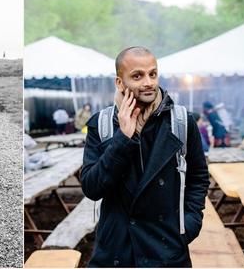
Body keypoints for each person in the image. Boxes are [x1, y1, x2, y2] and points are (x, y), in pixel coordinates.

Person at [81, 46, 209, 267]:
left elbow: (198, 176)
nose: (149, 82)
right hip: (117, 250)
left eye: (153, 73)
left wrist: (189, 224)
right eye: (137, 76)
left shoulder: (181, 122)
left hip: (167, 248)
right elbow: (92, 188)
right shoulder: (101, 124)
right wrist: (123, 138)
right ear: (119, 83)